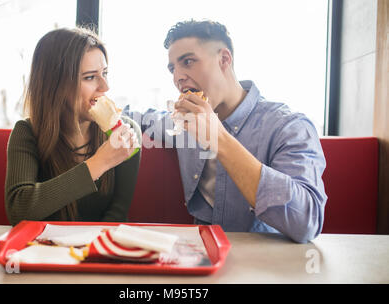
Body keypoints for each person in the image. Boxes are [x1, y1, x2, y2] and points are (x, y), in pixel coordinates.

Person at [124, 20, 327, 243]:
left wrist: (219, 139)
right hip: (200, 257)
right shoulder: (183, 122)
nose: (177, 77)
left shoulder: (288, 126)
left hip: (268, 265)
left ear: (224, 60)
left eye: (188, 62)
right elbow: (141, 118)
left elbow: (307, 222)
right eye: (173, 68)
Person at [5, 27, 141, 226]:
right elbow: (19, 211)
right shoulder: (27, 133)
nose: (105, 87)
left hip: (99, 248)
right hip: (44, 250)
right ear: (56, 85)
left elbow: (117, 215)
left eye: (105, 73)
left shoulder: (125, 132)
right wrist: (99, 163)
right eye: (89, 77)